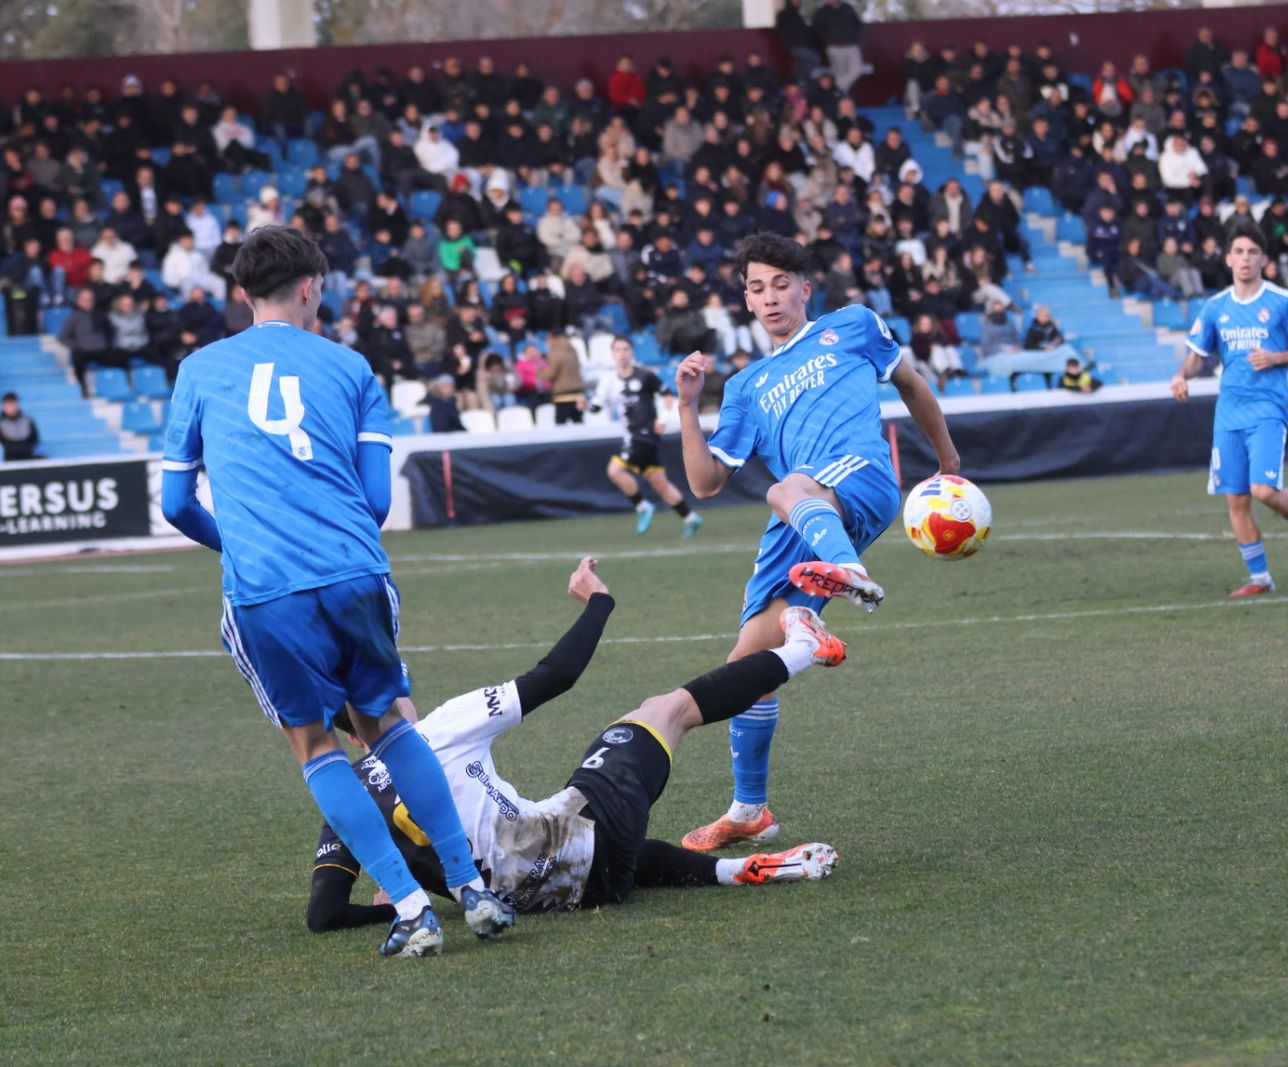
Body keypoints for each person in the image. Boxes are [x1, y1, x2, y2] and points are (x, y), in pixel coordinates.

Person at [159, 226, 514, 958]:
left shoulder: (198, 369)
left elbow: (175, 503)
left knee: (315, 744)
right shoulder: (352, 368)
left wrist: (244, 541)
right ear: (314, 286)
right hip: (356, 572)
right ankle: (471, 886)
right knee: (389, 724)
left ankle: (412, 909)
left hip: (266, 591)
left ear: (241, 292)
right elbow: (377, 500)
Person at [305, 559, 840, 934]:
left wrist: (408, 904)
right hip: (579, 847)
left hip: (565, 896)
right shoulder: (437, 730)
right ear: (393, 696)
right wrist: (598, 603)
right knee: (664, 711)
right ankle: (802, 647)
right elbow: (555, 675)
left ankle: (733, 872)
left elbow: (323, 916)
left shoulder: (343, 798)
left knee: (605, 841)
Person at [672, 232, 960, 851]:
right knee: (746, 667)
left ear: (806, 288)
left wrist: (948, 462)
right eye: (757, 288)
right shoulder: (747, 386)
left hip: (859, 479)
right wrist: (687, 407)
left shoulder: (852, 326)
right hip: (801, 518)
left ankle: (845, 571)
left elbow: (910, 385)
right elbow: (704, 482)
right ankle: (750, 809)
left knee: (786, 487)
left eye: (781, 284)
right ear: (745, 301)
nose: (770, 297)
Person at [1170, 219, 1288, 597]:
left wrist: (1276, 357)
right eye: (1239, 252)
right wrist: (1182, 376)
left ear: (1263, 259)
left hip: (1266, 408)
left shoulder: (1280, 301)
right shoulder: (1215, 308)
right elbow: (1197, 358)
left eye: (1253, 252)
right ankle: (1261, 579)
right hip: (1228, 412)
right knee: (1237, 499)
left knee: (1262, 490)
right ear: (1228, 259)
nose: (1245, 259)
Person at [592, 336, 703, 538]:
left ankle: (642, 506)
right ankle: (690, 517)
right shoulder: (609, 381)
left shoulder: (645, 376)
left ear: (632, 352)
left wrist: (663, 418)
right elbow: (597, 405)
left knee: (615, 470)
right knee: (659, 482)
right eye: (618, 350)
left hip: (645, 436)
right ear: (612, 354)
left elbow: (668, 394)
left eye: (625, 349)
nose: (622, 353)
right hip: (630, 437)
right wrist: (585, 405)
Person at [1, 392, 40, 461]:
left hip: (28, 456)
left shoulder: (28, 421)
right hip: (10, 459)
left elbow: (35, 439)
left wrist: (24, 449)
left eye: (13, 403)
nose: (11, 407)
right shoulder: (1, 423)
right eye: (8, 404)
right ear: (4, 406)